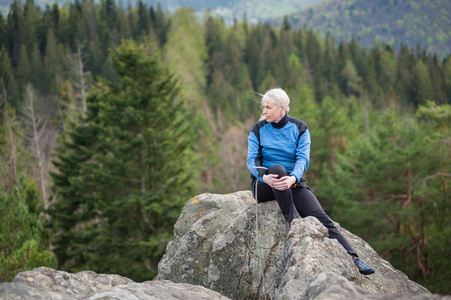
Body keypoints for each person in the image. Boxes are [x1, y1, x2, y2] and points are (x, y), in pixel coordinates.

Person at [246, 88, 375, 275]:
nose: (264, 111)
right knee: (277, 169)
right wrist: (264, 176)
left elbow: (302, 159)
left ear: (282, 108)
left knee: (321, 217)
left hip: (292, 182)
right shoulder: (258, 129)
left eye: (268, 107)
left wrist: (292, 179)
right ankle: (295, 221)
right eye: (264, 107)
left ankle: (354, 258)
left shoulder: (300, 128)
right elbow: (252, 161)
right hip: (264, 184)